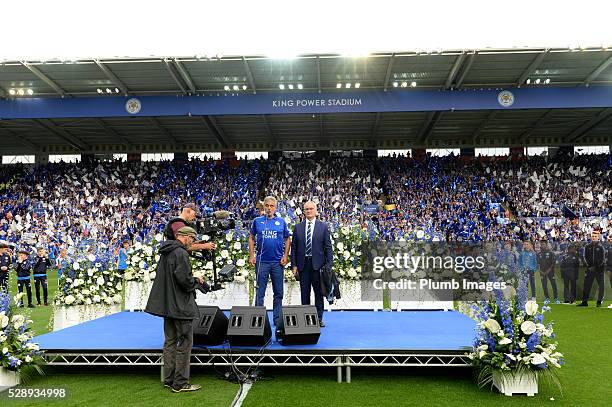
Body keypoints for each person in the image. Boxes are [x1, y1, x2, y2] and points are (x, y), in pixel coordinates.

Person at [145, 226, 204, 393]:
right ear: (185, 237)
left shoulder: (166, 252)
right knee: (185, 343)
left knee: (170, 342)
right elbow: (184, 282)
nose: (193, 243)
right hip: (181, 306)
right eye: (192, 239)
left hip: (168, 306)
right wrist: (197, 280)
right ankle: (180, 383)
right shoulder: (181, 253)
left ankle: (169, 379)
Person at [249, 196, 291, 327]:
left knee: (278, 292)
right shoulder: (257, 221)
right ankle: (258, 319)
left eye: (272, 206)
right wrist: (252, 255)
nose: (269, 208)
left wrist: (286, 255)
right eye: (267, 205)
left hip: (278, 263)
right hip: (262, 262)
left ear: (276, 208)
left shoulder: (281, 222)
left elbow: (287, 239)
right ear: (263, 207)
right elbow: (251, 238)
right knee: (259, 292)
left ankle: (277, 319)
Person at [291, 201, 333, 327]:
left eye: (311, 209)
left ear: (315, 211)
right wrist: (294, 265)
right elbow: (294, 247)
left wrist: (329, 265)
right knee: (305, 293)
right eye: (306, 209)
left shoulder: (323, 227)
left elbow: (328, 247)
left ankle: (318, 318)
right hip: (303, 266)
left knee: (319, 293)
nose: (308, 211)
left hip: (318, 266)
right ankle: (306, 318)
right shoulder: (298, 227)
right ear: (304, 211)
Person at [578, 230, 606, 307]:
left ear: (598, 238)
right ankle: (584, 302)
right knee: (586, 285)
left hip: (599, 270)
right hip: (589, 269)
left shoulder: (601, 247)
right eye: (592, 236)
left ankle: (599, 301)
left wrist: (596, 267)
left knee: (601, 286)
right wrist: (589, 266)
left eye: (595, 236)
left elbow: (602, 259)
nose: (593, 238)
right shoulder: (587, 246)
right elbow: (585, 257)